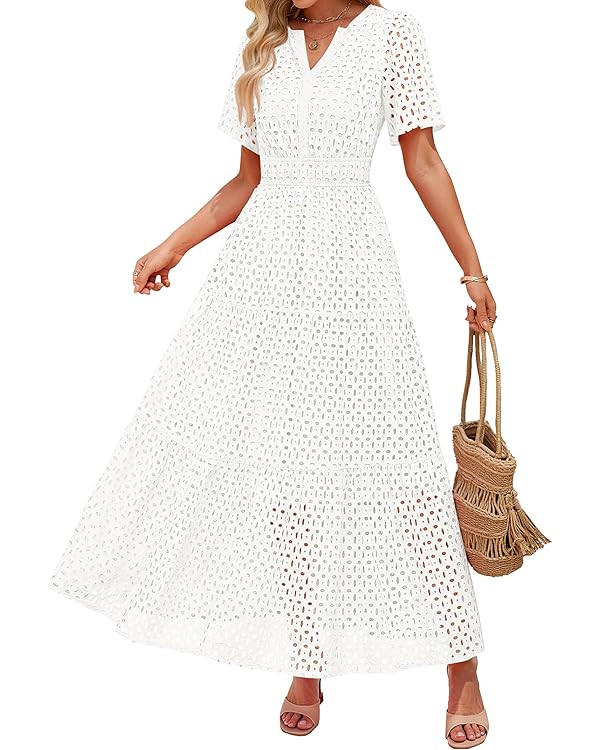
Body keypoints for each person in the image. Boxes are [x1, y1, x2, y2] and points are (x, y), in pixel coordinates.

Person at [50, 1, 495, 746]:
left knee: (407, 475)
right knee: (289, 482)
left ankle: (462, 666)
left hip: (353, 275)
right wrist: (172, 245)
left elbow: (421, 161)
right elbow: (246, 181)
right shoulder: (265, 43)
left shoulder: (392, 33)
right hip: (263, 283)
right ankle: (307, 659)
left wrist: (472, 272)